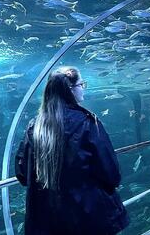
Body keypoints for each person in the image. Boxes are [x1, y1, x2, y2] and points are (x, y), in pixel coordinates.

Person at [15, 66, 129, 235]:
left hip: (47, 221)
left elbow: (23, 174)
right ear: (70, 90)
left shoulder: (35, 127)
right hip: (89, 216)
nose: (83, 88)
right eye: (81, 84)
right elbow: (110, 173)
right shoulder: (87, 122)